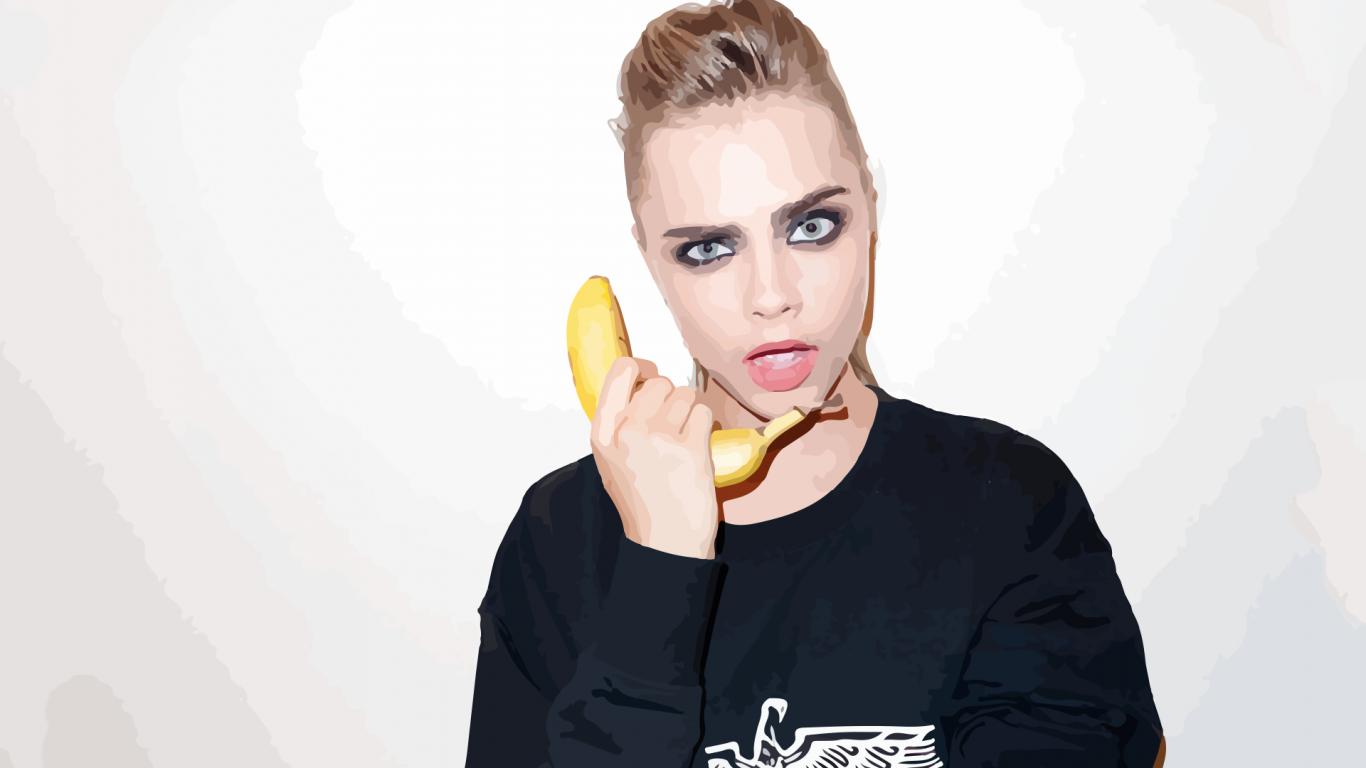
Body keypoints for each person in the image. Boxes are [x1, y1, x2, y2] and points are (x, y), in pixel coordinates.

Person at [465, 1, 1165, 766]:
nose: (772, 296)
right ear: (651, 261)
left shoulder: (1008, 505)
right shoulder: (558, 540)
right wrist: (659, 569)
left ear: (869, 212)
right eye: (708, 249)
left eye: (810, 227)